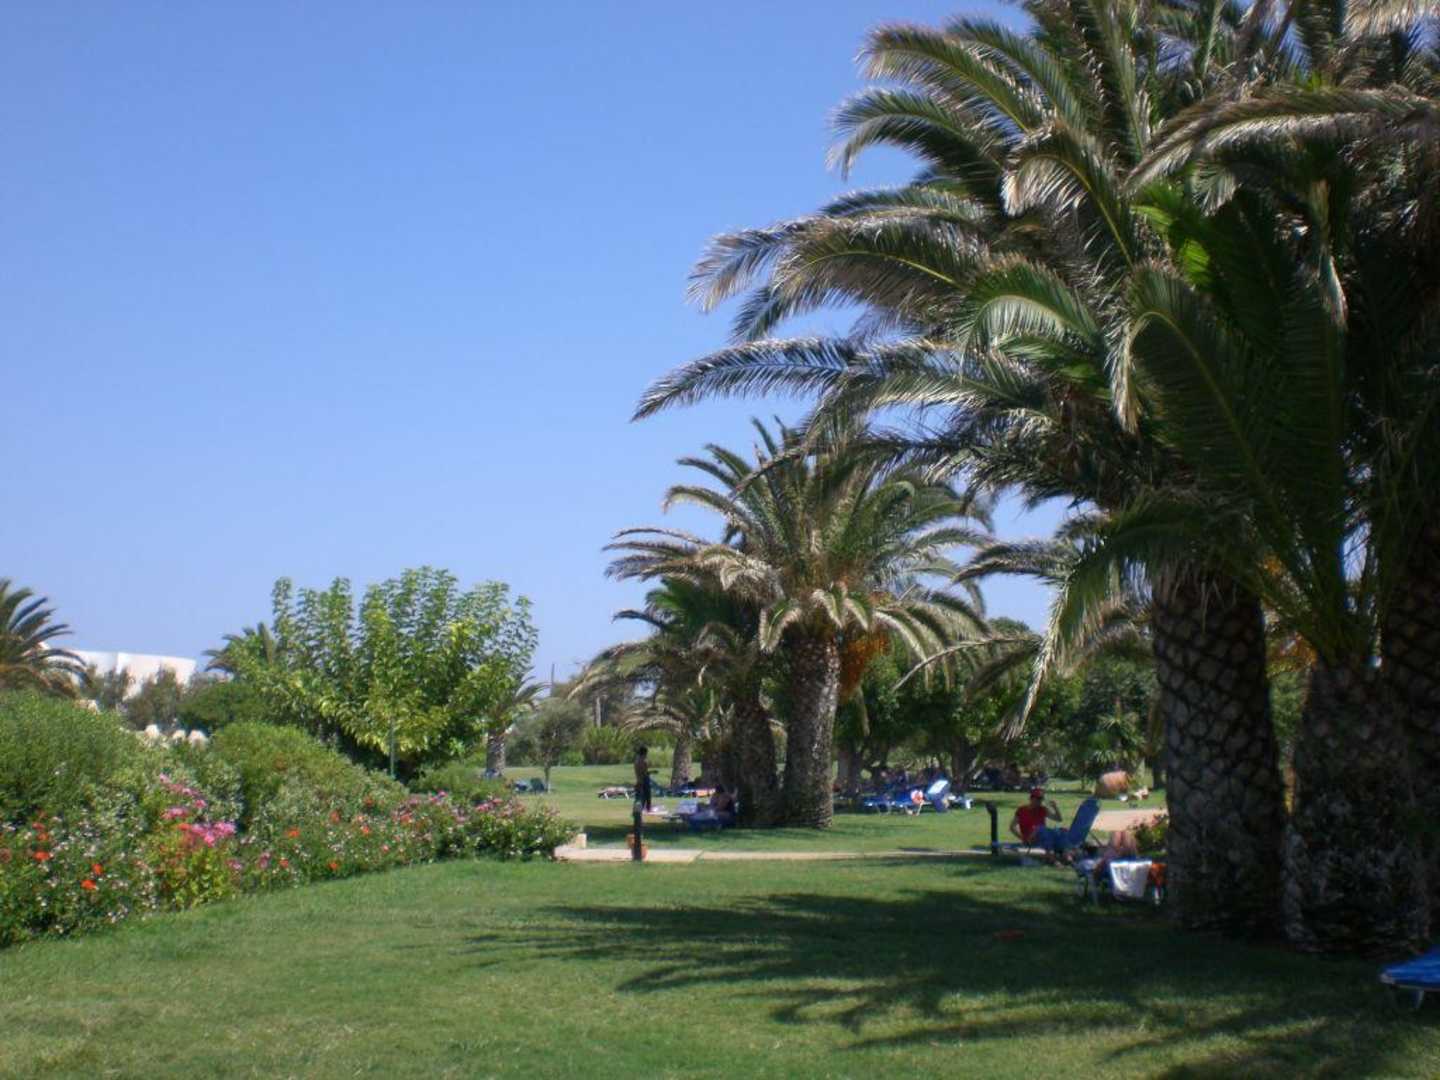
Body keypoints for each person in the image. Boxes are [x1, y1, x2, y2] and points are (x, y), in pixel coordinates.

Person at [1010, 787, 1064, 854]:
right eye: (1038, 798)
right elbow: (1012, 827)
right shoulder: (1022, 810)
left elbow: (1059, 819)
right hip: (1031, 838)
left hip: (1043, 836)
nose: (1040, 801)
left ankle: (1067, 854)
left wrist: (1055, 807)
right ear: (1031, 799)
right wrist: (1023, 838)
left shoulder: (1042, 809)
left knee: (1060, 831)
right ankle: (1053, 853)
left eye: (1041, 799)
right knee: (1040, 829)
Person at [633, 745, 654, 811]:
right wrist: (652, 772)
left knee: (638, 798)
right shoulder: (644, 761)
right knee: (647, 796)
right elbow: (645, 773)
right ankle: (648, 809)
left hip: (638, 781)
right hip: (644, 781)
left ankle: (637, 811)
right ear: (645, 753)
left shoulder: (636, 760)